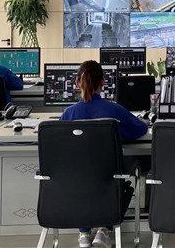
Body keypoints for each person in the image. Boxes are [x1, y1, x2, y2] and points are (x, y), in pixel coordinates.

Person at [60, 60, 148, 248]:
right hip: (108, 177)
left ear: (77, 83)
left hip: (75, 181)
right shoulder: (114, 110)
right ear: (103, 82)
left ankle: (84, 233)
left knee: (85, 177)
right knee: (115, 174)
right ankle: (104, 229)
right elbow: (140, 129)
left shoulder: (67, 114)